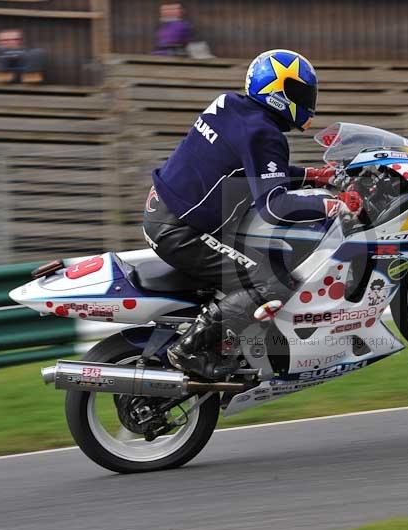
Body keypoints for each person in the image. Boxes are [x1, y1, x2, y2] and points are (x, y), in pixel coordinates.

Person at [143, 49, 362, 380]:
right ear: (277, 92)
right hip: (181, 230)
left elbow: (253, 170)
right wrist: (335, 204)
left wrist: (315, 177)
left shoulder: (232, 107)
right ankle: (188, 349)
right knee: (271, 280)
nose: (308, 101)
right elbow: (274, 206)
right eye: (300, 93)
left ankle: (235, 345)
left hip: (167, 211)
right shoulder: (264, 133)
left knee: (267, 257)